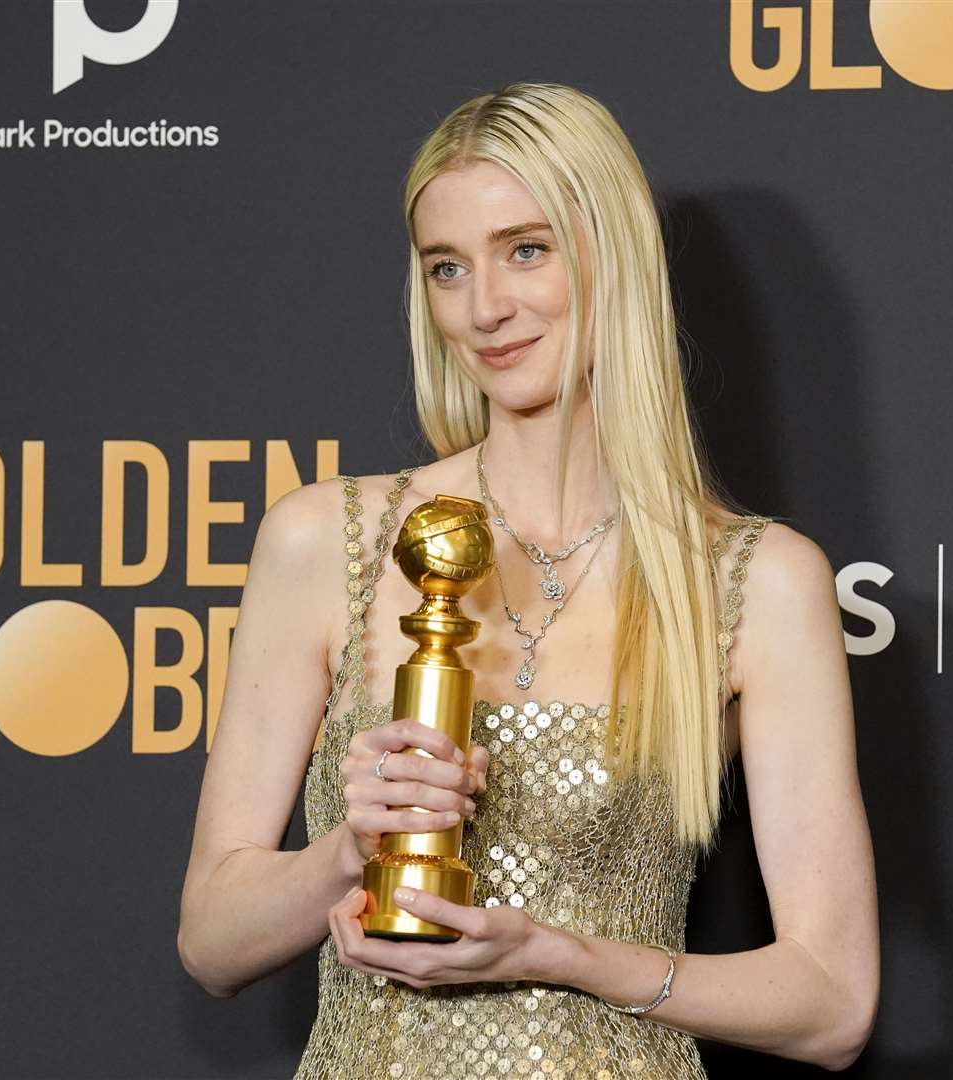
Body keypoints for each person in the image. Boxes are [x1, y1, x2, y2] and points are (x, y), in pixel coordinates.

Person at [177, 81, 878, 1078]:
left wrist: (568, 959)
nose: (486, 307)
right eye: (447, 268)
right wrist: (351, 846)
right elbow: (211, 942)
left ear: (612, 256)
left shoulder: (754, 582)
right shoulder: (323, 540)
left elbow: (833, 1003)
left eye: (527, 250)